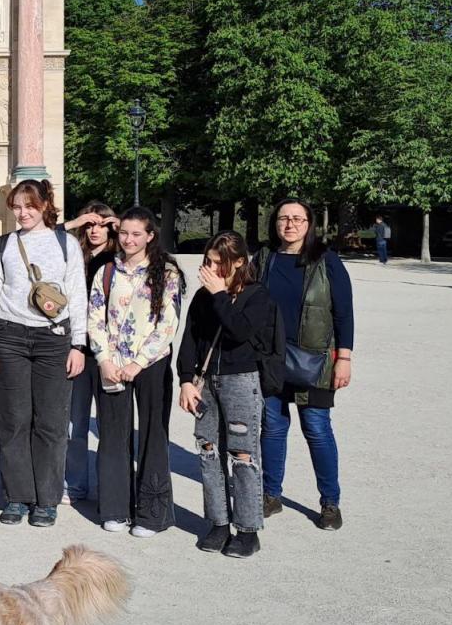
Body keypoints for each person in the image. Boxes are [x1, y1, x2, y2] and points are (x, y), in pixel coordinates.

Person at [0, 179, 88, 529]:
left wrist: (78, 344)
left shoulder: (66, 244)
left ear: (44, 206)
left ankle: (47, 499)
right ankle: (18, 496)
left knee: (51, 423)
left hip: (54, 339)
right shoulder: (4, 245)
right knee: (13, 421)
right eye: (17, 207)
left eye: (29, 206)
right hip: (9, 337)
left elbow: (78, 294)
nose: (22, 213)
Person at [177, 231, 275, 558]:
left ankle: (247, 530)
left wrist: (220, 294)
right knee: (207, 449)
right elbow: (190, 338)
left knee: (242, 453)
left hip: (241, 380)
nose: (211, 269)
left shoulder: (257, 295)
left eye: (219, 263)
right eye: (208, 261)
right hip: (207, 381)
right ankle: (218, 522)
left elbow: (239, 331)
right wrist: (186, 380)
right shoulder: (202, 296)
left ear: (239, 262)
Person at [89, 205, 185, 538]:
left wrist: (138, 362)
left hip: (151, 364)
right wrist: (104, 359)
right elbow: (94, 317)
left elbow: (168, 323)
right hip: (112, 363)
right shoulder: (107, 271)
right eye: (124, 233)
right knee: (113, 436)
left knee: (152, 436)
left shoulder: (167, 273)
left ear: (150, 236)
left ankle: (152, 514)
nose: (128, 240)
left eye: (136, 234)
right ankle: (115, 508)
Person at [258, 199, 354, 530]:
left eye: (298, 219)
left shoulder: (327, 261)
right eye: (284, 218)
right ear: (275, 222)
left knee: (316, 427)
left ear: (309, 224)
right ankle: (270, 495)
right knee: (272, 427)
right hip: (270, 358)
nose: (290, 224)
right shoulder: (264, 258)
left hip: (315, 360)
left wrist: (344, 358)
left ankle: (330, 502)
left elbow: (344, 314)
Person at [59, 202, 118, 506]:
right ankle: (75, 484)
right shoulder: (73, 254)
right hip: (78, 347)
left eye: (101, 225)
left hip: (110, 351)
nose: (95, 230)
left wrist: (119, 224)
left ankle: (111, 490)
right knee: (75, 423)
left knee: (110, 427)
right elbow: (44, 238)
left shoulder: (120, 256)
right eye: (90, 225)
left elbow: (152, 249)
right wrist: (74, 221)